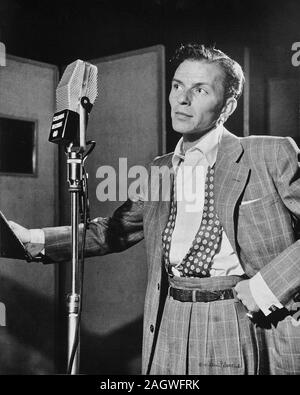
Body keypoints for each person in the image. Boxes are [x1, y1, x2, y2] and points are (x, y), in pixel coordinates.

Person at [10, 43, 300, 375]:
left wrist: (267, 287)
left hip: (235, 317)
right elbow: (112, 233)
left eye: (200, 89)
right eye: (177, 86)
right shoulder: (161, 169)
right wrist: (30, 239)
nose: (182, 98)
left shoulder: (268, 154)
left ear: (228, 105)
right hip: (169, 319)